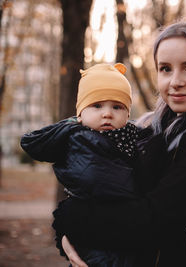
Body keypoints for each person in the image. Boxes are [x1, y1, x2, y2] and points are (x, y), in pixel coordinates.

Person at [57, 18, 186, 267]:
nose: (175, 81)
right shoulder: (151, 129)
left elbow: (151, 219)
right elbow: (105, 187)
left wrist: (69, 219)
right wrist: (68, 233)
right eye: (165, 68)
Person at [20, 63, 164, 266]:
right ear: (80, 114)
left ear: (127, 114)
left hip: (119, 238)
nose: (107, 113)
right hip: (96, 246)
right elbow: (101, 180)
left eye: (117, 107)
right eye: (97, 106)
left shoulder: (131, 139)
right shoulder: (80, 140)